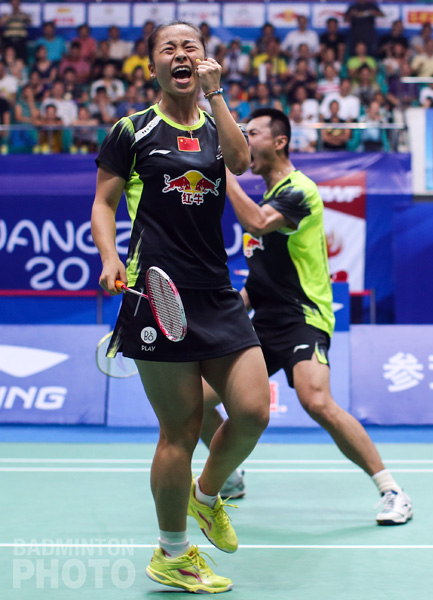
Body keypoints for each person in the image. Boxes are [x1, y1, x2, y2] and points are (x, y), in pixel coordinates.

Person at [90, 20, 270, 593]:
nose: (180, 53)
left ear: (205, 60)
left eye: (190, 46)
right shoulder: (132, 130)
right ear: (153, 68)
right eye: (168, 48)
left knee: (253, 410)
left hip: (215, 290)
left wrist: (219, 96)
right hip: (155, 290)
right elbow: (103, 203)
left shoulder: (218, 122)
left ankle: (206, 495)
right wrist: (110, 256)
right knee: (181, 430)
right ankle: (172, 552)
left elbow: (241, 162)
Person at [200, 108, 413, 527]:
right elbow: (257, 283)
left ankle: (392, 490)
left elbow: (257, 223)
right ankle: (230, 476)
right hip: (263, 323)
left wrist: (222, 171)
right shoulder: (266, 198)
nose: (244, 140)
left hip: (303, 317)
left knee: (317, 401)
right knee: (198, 399)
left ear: (279, 142)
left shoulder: (299, 191)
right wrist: (225, 311)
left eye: (252, 133)